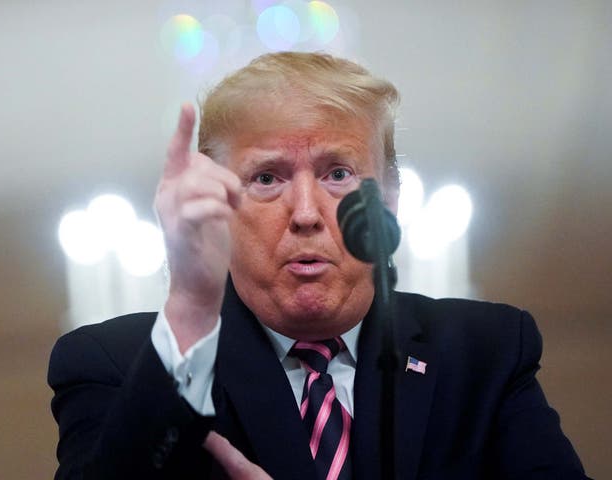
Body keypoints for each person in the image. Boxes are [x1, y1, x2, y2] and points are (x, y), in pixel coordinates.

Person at [48, 52, 590, 479]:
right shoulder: (111, 365)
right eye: (266, 178)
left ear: (391, 198)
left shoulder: (486, 354)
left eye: (338, 174)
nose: (306, 214)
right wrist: (191, 306)